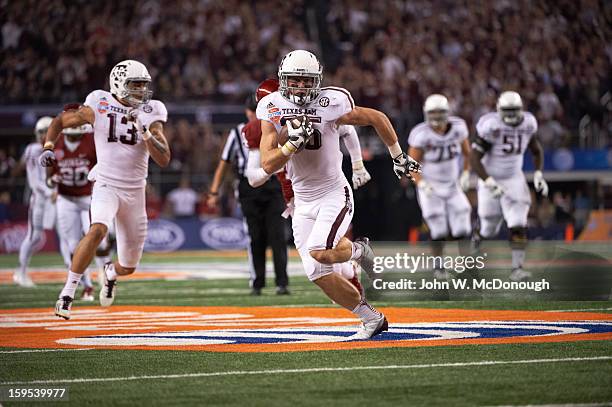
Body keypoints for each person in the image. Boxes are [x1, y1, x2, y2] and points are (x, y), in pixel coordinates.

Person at [258, 50, 420, 340]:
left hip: (333, 192)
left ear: (317, 82)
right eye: (294, 80)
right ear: (283, 80)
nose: (299, 87)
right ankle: (372, 319)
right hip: (302, 199)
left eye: (306, 81)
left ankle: (359, 251)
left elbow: (376, 117)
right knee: (315, 272)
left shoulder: (331, 101)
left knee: (320, 251)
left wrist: (397, 155)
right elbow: (267, 163)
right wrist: (289, 144)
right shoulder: (271, 106)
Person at [40, 60, 171, 319]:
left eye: (144, 85)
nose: (142, 90)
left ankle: (110, 273)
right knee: (98, 228)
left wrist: (144, 131)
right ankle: (67, 294)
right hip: (106, 183)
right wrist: (48, 146)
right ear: (119, 84)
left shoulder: (151, 110)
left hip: (135, 192)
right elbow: (60, 121)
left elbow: (164, 158)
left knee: (129, 266)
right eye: (136, 85)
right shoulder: (99, 103)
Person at [244, 78, 372, 296]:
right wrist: (278, 159)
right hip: (295, 195)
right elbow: (254, 177)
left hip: (324, 188)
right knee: (315, 259)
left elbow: (348, 130)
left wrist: (358, 164)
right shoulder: (261, 127)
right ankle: (353, 267)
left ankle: (355, 269)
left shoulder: (313, 112)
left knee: (322, 250)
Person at [208, 91, 290, 295]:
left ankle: (282, 282)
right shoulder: (238, 132)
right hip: (248, 186)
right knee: (255, 236)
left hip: (273, 185)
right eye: (252, 110)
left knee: (277, 235)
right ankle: (257, 282)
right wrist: (213, 191)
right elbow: (224, 162)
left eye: (258, 110)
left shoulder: (276, 127)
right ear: (247, 112)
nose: (255, 114)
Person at [471, 91, 548, 282]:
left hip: (514, 178)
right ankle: (477, 238)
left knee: (518, 223)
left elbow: (536, 150)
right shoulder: (491, 126)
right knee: (490, 228)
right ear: (499, 110)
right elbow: (474, 159)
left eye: (515, 110)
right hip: (490, 178)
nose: (512, 115)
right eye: (508, 110)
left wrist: (538, 173)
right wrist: (489, 181)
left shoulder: (528, 124)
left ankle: (517, 269)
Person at [47, 107, 113, 301]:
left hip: (88, 196)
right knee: (73, 247)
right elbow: (49, 173)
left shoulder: (92, 141)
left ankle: (105, 273)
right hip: (66, 198)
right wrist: (51, 182)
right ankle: (86, 286)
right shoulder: (57, 143)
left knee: (99, 238)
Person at [408, 94, 472, 280]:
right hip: (431, 187)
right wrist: (422, 183)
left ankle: (466, 267)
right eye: (432, 112)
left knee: (462, 225)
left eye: (439, 112)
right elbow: (412, 164)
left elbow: (468, 154)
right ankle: (439, 268)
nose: (436, 116)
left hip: (453, 186)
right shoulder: (421, 133)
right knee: (438, 228)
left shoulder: (458, 128)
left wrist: (466, 173)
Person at [13, 116, 56, 287]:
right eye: (41, 132)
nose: (43, 135)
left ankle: (80, 277)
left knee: (69, 236)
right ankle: (21, 271)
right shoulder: (33, 149)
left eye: (46, 131)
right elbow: (34, 181)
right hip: (40, 200)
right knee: (34, 236)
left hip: (56, 198)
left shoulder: (57, 147)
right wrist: (49, 191)